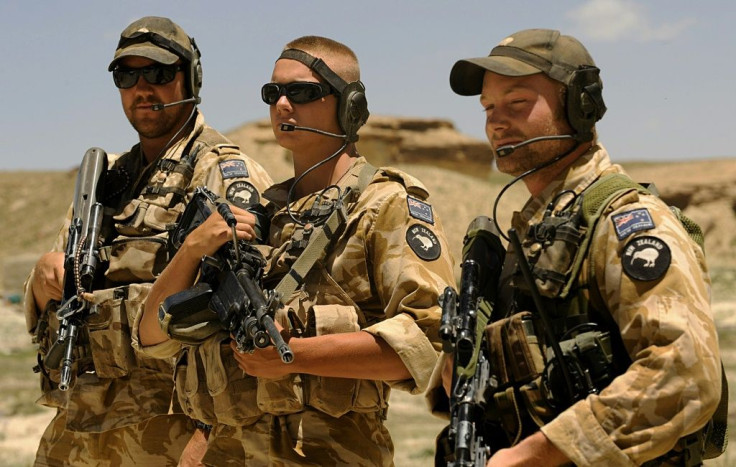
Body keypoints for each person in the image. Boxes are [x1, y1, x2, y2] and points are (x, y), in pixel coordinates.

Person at [139, 35, 456, 465]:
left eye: (303, 92)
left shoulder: (384, 205)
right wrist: (191, 250)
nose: (283, 105)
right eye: (273, 94)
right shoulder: (260, 214)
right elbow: (152, 337)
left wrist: (293, 357)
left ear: (350, 106)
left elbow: (426, 342)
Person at [426, 28, 723, 466]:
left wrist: (535, 454)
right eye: (488, 107)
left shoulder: (625, 222)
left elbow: (684, 374)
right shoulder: (533, 229)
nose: (495, 121)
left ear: (580, 105)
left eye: (517, 103)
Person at [23, 16, 273, 466]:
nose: (143, 88)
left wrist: (206, 442)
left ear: (191, 78)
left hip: (169, 432)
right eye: (128, 75)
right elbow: (58, 286)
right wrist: (43, 283)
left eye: (158, 74)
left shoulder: (221, 172)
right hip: (81, 423)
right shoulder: (107, 181)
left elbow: (245, 318)